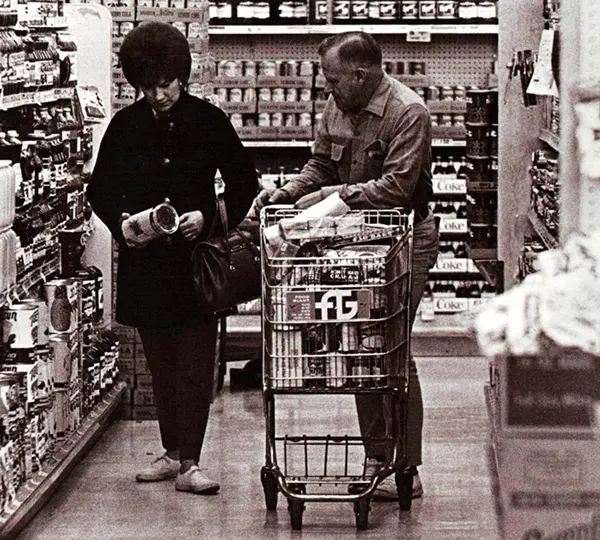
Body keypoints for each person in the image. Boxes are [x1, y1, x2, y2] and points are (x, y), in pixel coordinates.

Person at [254, 31, 439, 500]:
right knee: (361, 343)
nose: (327, 90)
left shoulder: (408, 112)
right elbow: (320, 163)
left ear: (360, 74)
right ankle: (379, 455)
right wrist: (288, 192)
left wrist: (332, 198)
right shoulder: (338, 105)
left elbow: (396, 188)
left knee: (390, 344)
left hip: (404, 240)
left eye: (334, 80)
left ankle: (405, 466)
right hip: (353, 240)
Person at [87, 22, 258, 494]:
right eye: (148, 87)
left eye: (166, 85)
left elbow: (245, 183)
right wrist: (124, 225)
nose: (158, 95)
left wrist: (209, 217)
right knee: (159, 359)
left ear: (182, 76)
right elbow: (99, 189)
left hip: (196, 263)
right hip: (145, 265)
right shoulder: (125, 125)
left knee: (197, 362)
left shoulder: (209, 120)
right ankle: (171, 452)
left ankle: (192, 462)